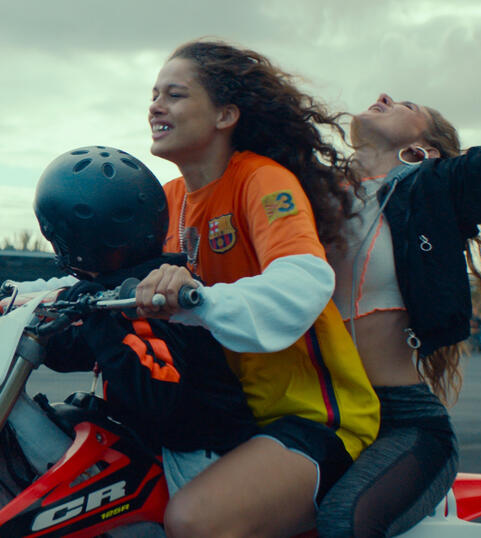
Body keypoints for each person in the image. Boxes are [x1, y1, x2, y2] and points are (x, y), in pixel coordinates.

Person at [134, 40, 380, 537]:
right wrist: (32, 296)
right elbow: (103, 277)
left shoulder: (261, 179)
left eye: (175, 95)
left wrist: (198, 298)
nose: (155, 106)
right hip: (227, 417)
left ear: (225, 115)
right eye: (154, 94)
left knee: (194, 520)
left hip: (314, 417)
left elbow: (301, 280)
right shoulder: (166, 200)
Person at [316, 94, 481, 537]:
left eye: (408, 105)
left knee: (342, 524)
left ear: (421, 151)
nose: (384, 98)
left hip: (402, 423)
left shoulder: (435, 187)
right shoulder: (302, 196)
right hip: (313, 411)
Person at [26, 145, 260, 495]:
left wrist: (91, 315)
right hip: (163, 443)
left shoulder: (147, 298)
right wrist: (31, 331)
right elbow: (81, 349)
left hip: (201, 455)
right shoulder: (122, 291)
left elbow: (158, 392)